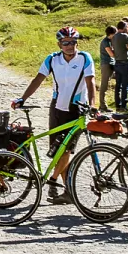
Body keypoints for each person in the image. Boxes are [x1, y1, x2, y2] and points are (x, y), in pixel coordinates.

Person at [14, 26, 95, 204]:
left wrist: (93, 105)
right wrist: (22, 98)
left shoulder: (84, 58)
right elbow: (38, 79)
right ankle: (63, 188)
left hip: (76, 109)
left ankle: (55, 181)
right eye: (65, 43)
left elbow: (90, 83)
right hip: (57, 108)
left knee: (66, 149)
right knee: (57, 150)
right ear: (59, 43)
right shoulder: (52, 59)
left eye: (73, 42)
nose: (70, 46)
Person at [111, 20, 128, 111]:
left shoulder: (114, 37)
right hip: (125, 63)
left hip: (117, 63)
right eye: (127, 27)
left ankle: (117, 105)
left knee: (118, 85)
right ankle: (124, 106)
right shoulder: (124, 36)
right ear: (124, 28)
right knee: (125, 86)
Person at [97, 25, 116, 111]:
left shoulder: (110, 41)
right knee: (104, 84)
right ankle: (102, 105)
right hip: (106, 64)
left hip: (111, 63)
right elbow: (111, 54)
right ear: (111, 34)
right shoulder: (105, 42)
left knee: (108, 83)